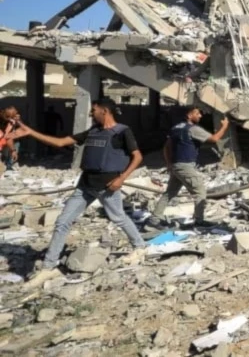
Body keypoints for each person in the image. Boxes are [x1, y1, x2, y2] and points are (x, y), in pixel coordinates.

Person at [11, 98, 145, 280]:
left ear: (104, 111)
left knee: (118, 218)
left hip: (107, 186)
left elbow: (137, 157)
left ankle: (139, 247)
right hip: (85, 185)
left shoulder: (122, 132)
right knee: (62, 221)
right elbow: (60, 142)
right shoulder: (93, 131)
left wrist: (121, 179)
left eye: (94, 110)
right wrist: (30, 132)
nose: (91, 113)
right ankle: (49, 266)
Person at [149, 107, 230, 228]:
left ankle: (154, 219)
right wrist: (224, 126)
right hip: (185, 165)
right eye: (197, 113)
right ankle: (199, 221)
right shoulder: (193, 129)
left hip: (176, 165)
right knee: (200, 192)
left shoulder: (175, 129)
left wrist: (169, 164)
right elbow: (214, 139)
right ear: (189, 115)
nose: (200, 116)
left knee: (169, 193)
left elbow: (166, 147)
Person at [0, 106, 20, 174]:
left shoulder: (13, 121)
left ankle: (9, 165)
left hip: (8, 139)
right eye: (15, 115)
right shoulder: (4, 120)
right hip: (3, 138)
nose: (18, 116)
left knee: (15, 144)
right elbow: (5, 135)